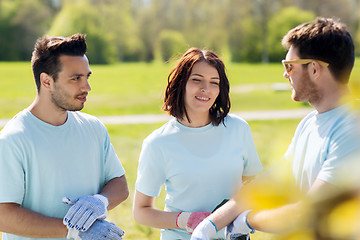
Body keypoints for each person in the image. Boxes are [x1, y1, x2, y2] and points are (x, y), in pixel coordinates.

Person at [190, 17, 360, 240]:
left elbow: (308, 213)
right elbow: (268, 184)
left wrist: (247, 221)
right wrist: (210, 225)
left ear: (315, 69)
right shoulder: (309, 124)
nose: (285, 74)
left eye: (289, 66)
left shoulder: (352, 129)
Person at [0, 34, 129, 240]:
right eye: (75, 78)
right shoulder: (13, 139)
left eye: (87, 77)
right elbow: (4, 216)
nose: (86, 87)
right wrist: (72, 229)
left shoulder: (93, 128)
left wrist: (100, 201)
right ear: (47, 81)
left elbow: (119, 183)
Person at [133, 47, 263, 240]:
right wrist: (187, 219)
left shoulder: (238, 129)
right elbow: (141, 211)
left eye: (214, 82)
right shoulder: (157, 143)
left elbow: (254, 185)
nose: (206, 89)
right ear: (181, 83)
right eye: (196, 80)